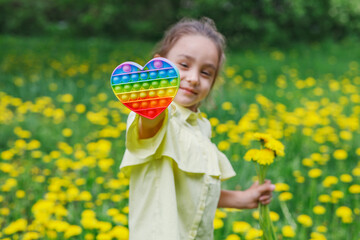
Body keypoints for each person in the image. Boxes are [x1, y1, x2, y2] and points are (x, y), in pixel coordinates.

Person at [120, 17, 275, 240]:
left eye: (206, 73)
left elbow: (195, 191)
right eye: (184, 65)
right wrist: (153, 89)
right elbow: (150, 126)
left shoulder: (200, 128)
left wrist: (241, 199)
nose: (193, 78)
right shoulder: (158, 116)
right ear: (159, 64)